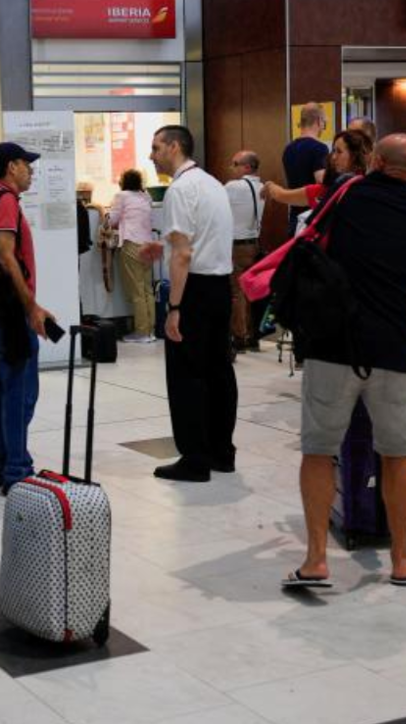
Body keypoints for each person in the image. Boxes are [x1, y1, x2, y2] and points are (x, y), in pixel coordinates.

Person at [285, 135, 406, 590]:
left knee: (319, 449)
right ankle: (400, 559)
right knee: (399, 454)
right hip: (395, 352)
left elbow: (309, 251)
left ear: (375, 161)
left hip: (334, 347)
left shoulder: (346, 200)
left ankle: (317, 559)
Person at [142, 125, 237, 483]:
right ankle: (221, 451)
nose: (151, 156)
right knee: (218, 372)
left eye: (156, 147)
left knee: (187, 375)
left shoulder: (180, 190)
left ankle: (194, 458)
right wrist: (162, 248)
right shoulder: (211, 183)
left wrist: (174, 308)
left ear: (175, 147)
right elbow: (198, 239)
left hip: (193, 292)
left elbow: (183, 255)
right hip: (218, 287)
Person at [0, 142, 55, 493]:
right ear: (10, 167)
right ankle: (17, 470)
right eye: (26, 164)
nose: (31, 170)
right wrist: (31, 307)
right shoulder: (5, 201)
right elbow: (7, 258)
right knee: (19, 391)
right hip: (7, 313)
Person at [264, 129, 374, 216]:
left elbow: (282, 195)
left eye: (339, 152)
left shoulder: (327, 191)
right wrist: (270, 186)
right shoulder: (368, 187)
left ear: (355, 156)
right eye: (333, 151)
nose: (333, 157)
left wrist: (270, 186)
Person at [108, 169, 156, 343]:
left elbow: (112, 220)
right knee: (147, 290)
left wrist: (103, 213)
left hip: (131, 244)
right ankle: (151, 330)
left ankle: (141, 333)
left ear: (124, 182)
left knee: (136, 291)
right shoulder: (146, 197)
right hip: (148, 245)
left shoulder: (121, 196)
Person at [224, 150, 265, 353]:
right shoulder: (262, 187)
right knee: (251, 291)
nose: (231, 167)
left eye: (235, 163)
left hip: (236, 246)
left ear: (247, 167)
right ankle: (253, 336)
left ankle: (238, 338)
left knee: (237, 292)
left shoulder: (234, 187)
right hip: (254, 244)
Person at [281, 102, 330, 236]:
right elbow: (321, 180)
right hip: (311, 217)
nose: (323, 128)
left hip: (294, 216)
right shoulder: (319, 148)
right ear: (319, 121)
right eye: (324, 123)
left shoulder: (288, 149)